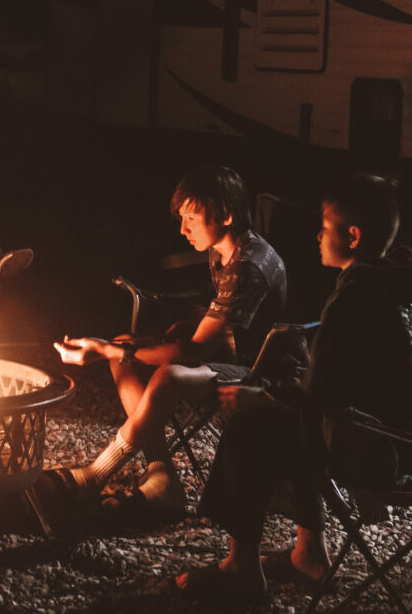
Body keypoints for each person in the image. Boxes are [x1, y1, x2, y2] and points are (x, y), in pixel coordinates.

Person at [174, 171, 412, 603]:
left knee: (248, 429)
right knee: (281, 424)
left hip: (373, 451)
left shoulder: (355, 297)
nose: (317, 237)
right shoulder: (390, 284)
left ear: (353, 236)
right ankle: (308, 554)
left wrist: (257, 396)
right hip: (394, 441)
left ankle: (241, 569)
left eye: (325, 228)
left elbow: (315, 400)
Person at [51, 164, 287, 520]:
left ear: (224, 214)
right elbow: (230, 321)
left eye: (191, 217)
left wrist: (105, 350)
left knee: (166, 375)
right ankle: (161, 477)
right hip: (231, 352)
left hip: (259, 372)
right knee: (124, 351)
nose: (182, 228)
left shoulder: (247, 265)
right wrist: (122, 348)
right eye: (181, 217)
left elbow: (195, 351)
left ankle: (95, 475)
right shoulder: (225, 250)